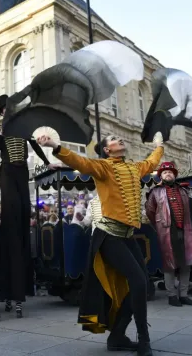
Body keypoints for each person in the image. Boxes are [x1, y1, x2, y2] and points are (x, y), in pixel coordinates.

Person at [37, 132, 164, 356]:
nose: (121, 139)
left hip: (127, 236)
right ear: (107, 149)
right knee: (137, 280)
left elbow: (152, 161)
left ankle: (117, 336)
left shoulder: (135, 168)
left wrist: (159, 145)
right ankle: (144, 339)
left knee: (141, 283)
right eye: (114, 138)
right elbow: (81, 162)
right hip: (109, 236)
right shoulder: (103, 167)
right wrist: (55, 145)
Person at [0, 94, 58, 318]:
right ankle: (9, 222)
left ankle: (20, 225)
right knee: (12, 206)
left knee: (23, 206)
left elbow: (35, 147)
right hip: (8, 171)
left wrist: (48, 161)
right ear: (2, 112)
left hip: (21, 172)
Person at [145, 163, 192, 307]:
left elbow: (190, 208)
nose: (168, 174)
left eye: (170, 172)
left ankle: (184, 295)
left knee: (186, 264)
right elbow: (150, 211)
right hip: (167, 232)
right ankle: (171, 296)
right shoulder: (155, 192)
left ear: (174, 175)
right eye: (164, 172)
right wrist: (160, 226)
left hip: (185, 231)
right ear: (160, 176)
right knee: (169, 265)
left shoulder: (183, 191)